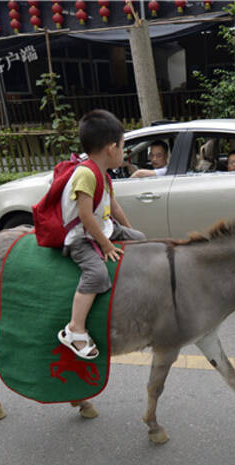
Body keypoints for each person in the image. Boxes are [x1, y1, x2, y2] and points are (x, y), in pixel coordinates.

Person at [57, 109, 146, 359]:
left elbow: (113, 207)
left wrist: (129, 231)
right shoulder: (85, 174)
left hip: (103, 226)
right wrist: (106, 245)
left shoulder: (103, 173)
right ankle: (75, 330)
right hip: (82, 236)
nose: (123, 152)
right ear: (110, 149)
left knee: (139, 240)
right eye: (122, 146)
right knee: (96, 275)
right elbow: (85, 216)